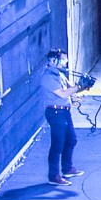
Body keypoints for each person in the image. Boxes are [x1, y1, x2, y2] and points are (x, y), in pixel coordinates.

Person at [38, 49, 82, 186]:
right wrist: (78, 86)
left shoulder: (59, 75)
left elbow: (69, 89)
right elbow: (62, 94)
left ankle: (67, 169)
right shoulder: (48, 77)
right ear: (53, 61)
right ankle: (54, 176)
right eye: (63, 59)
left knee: (71, 140)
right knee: (57, 145)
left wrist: (80, 89)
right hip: (55, 113)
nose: (66, 61)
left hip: (64, 112)